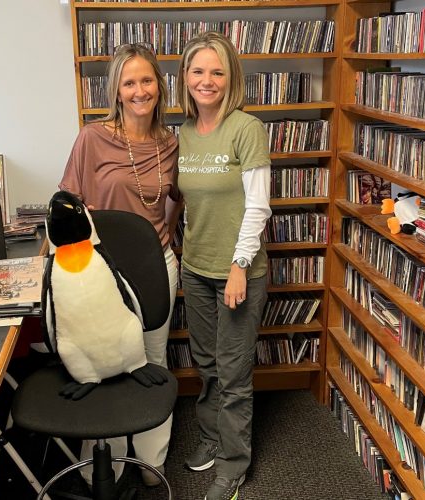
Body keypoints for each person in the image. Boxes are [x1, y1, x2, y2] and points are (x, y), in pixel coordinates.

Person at [59, 42, 180, 488]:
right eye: (129, 82)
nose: (139, 90)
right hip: (101, 273)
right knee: (106, 363)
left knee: (152, 360)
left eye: (147, 80)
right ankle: (102, 461)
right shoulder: (93, 138)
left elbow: (177, 199)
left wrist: (167, 236)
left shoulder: (170, 143)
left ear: (159, 85)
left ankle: (150, 462)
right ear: (116, 90)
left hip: (156, 266)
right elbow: (67, 202)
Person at [176, 32, 272, 500]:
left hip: (238, 272)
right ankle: (213, 437)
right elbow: (188, 204)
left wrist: (239, 265)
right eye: (198, 71)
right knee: (208, 364)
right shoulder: (184, 132)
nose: (207, 80)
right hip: (195, 267)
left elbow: (258, 206)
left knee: (233, 374)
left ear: (231, 77)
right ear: (185, 77)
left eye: (217, 71)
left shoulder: (246, 128)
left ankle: (233, 466)